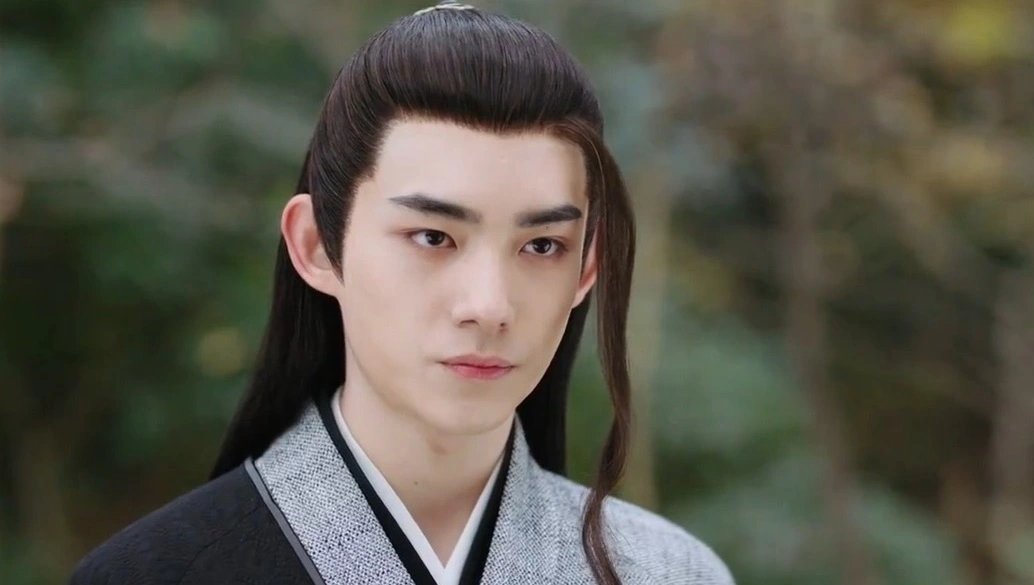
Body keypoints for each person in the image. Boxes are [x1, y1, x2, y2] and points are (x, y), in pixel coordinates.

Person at [69, 2, 734, 584]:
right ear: (316, 245)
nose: (488, 306)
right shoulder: (152, 574)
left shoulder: (671, 573)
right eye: (432, 237)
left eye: (541, 246)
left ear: (587, 266)